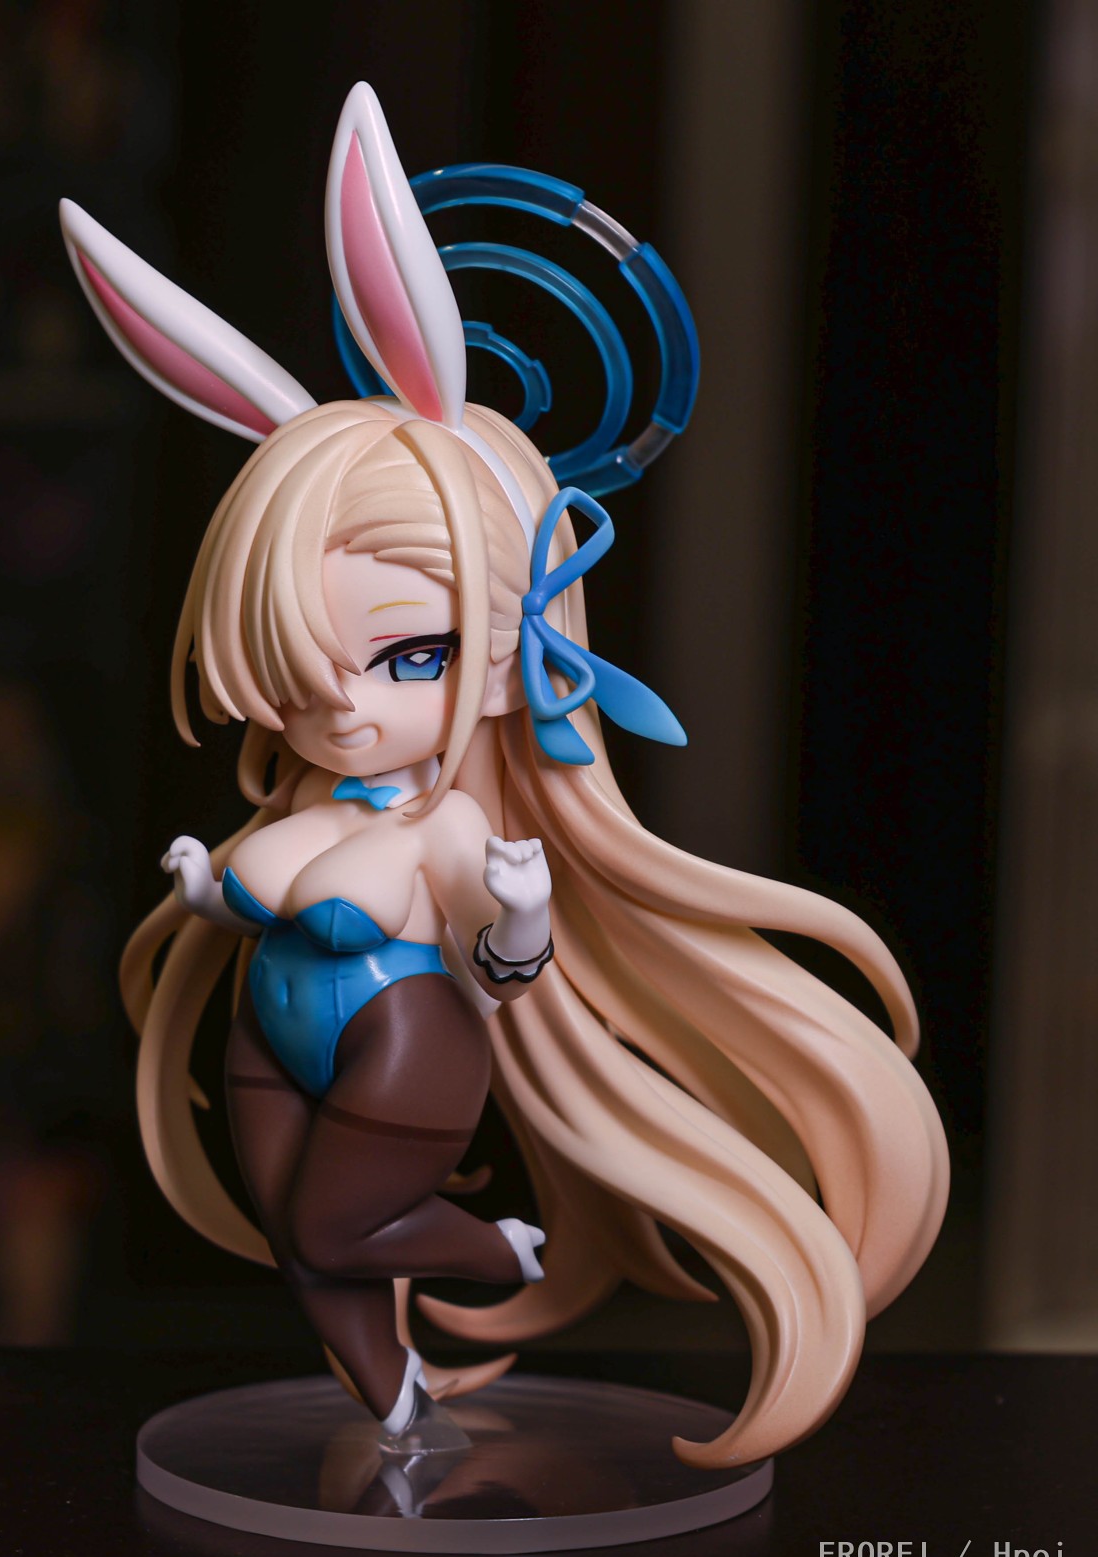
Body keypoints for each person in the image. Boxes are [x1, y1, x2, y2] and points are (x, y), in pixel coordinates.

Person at [65, 83, 949, 1466]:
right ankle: (395, 1405)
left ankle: (491, 1245)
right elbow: (243, 889)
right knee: (305, 1241)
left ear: (495, 656)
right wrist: (200, 887)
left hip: (401, 1041)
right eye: (295, 669)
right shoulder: (309, 806)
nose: (343, 708)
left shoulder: (450, 823)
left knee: (328, 1224)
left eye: (406, 658)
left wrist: (524, 915)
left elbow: (503, 969)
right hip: (270, 1038)